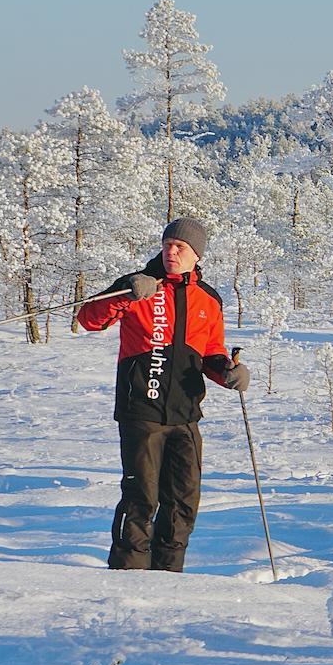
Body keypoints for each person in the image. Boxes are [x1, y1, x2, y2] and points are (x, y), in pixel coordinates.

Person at [77, 217, 249, 572]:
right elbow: (89, 319)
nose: (171, 251)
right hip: (141, 409)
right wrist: (125, 289)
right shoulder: (140, 286)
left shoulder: (209, 300)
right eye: (167, 244)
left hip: (185, 414)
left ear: (196, 255)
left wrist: (229, 373)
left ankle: (170, 573)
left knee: (184, 500)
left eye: (180, 247)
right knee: (142, 496)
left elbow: (211, 352)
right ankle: (129, 570)